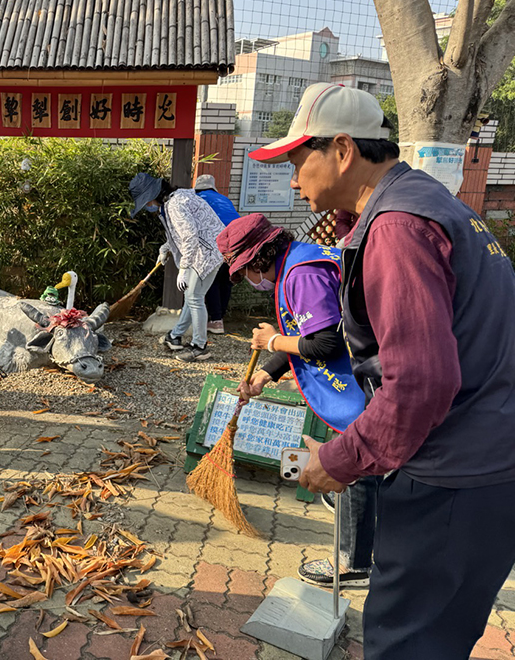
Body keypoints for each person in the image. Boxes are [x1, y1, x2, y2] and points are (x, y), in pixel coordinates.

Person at [251, 82, 515, 658]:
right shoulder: (433, 203)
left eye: (297, 162)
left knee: (406, 644)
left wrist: (340, 459)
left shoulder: (397, 228)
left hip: (450, 476)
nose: (293, 181)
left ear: (342, 149)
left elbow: (421, 382)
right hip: (488, 464)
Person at [218, 213, 373, 588]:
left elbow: (323, 343)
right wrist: (265, 374)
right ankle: (363, 532)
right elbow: (302, 334)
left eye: (244, 271)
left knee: (359, 465)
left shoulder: (301, 275)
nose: (248, 279)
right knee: (360, 465)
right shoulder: (298, 259)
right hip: (364, 373)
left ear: (257, 258)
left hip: (365, 378)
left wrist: (271, 340)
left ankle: (353, 563)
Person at [128, 172, 225, 362]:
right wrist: (165, 249)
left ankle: (200, 347)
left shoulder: (175, 205)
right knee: (191, 296)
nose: (147, 206)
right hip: (207, 250)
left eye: (146, 201)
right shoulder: (173, 201)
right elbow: (178, 234)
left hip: (206, 253)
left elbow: (189, 237)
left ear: (153, 195)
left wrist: (184, 268)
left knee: (194, 297)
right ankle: (175, 336)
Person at [194, 174, 240, 334]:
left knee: (211, 280)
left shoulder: (197, 199)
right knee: (225, 280)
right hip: (235, 243)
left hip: (216, 243)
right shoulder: (224, 200)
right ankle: (220, 318)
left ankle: (215, 320)